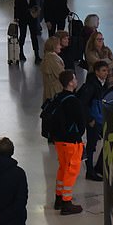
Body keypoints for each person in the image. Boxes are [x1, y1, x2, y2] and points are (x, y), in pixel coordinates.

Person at [50, 70, 85, 215]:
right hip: (71, 141)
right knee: (72, 171)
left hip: (59, 141)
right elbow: (81, 122)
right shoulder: (74, 100)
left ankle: (58, 198)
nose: (76, 81)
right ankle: (66, 202)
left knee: (63, 168)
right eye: (75, 79)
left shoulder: (58, 97)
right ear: (70, 82)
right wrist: (79, 135)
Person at [79, 60, 110, 181]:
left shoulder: (103, 83)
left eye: (107, 70)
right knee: (91, 145)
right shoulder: (91, 86)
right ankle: (90, 171)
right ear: (97, 72)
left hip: (101, 118)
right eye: (103, 70)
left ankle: (98, 166)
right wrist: (90, 119)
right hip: (93, 119)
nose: (106, 73)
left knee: (105, 141)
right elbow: (83, 103)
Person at [13, 0, 42, 64]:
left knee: (34, 36)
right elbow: (16, 7)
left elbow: (36, 5)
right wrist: (16, 17)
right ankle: (21, 52)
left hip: (32, 18)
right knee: (22, 35)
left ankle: (37, 55)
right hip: (23, 18)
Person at [40, 36, 64, 102]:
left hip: (50, 89)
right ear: (53, 46)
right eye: (59, 45)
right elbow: (61, 75)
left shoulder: (47, 57)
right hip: (55, 91)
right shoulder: (52, 59)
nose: (60, 47)